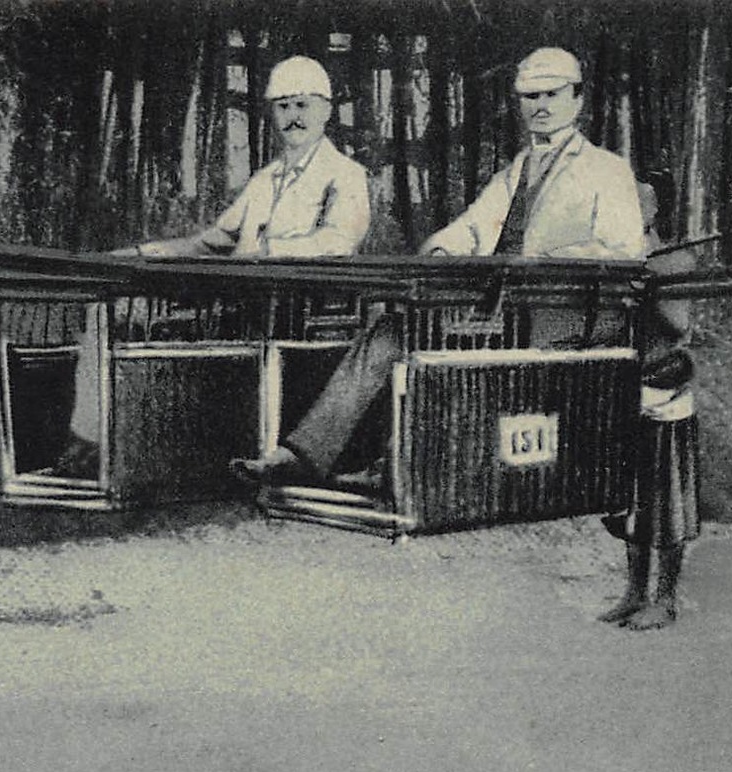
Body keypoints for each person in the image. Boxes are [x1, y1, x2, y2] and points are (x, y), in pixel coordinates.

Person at [234, 46, 645, 486]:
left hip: (565, 317)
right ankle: (306, 455)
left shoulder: (607, 170)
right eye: (530, 97)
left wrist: (542, 262)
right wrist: (442, 251)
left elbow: (622, 250)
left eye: (552, 95)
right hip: (501, 313)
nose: (540, 107)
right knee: (393, 331)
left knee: (428, 342)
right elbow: (473, 226)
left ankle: (400, 467)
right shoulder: (518, 170)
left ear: (577, 101)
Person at [47, 55, 371, 479]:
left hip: (300, 312)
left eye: (303, 104)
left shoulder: (345, 175)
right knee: (108, 308)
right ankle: (91, 445)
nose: (293, 117)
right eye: (283, 106)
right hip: (238, 304)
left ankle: (114, 452)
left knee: (128, 314)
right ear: (272, 113)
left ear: (326, 110)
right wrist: (143, 253)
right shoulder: (265, 179)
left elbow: (337, 242)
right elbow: (212, 242)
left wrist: (264, 253)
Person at [598, 183, 701, 630]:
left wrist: (649, 291)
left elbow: (679, 325)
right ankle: (635, 592)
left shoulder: (674, 260)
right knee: (630, 505)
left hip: (665, 392)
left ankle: (667, 599)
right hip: (623, 393)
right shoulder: (611, 262)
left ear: (653, 210)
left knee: (667, 504)